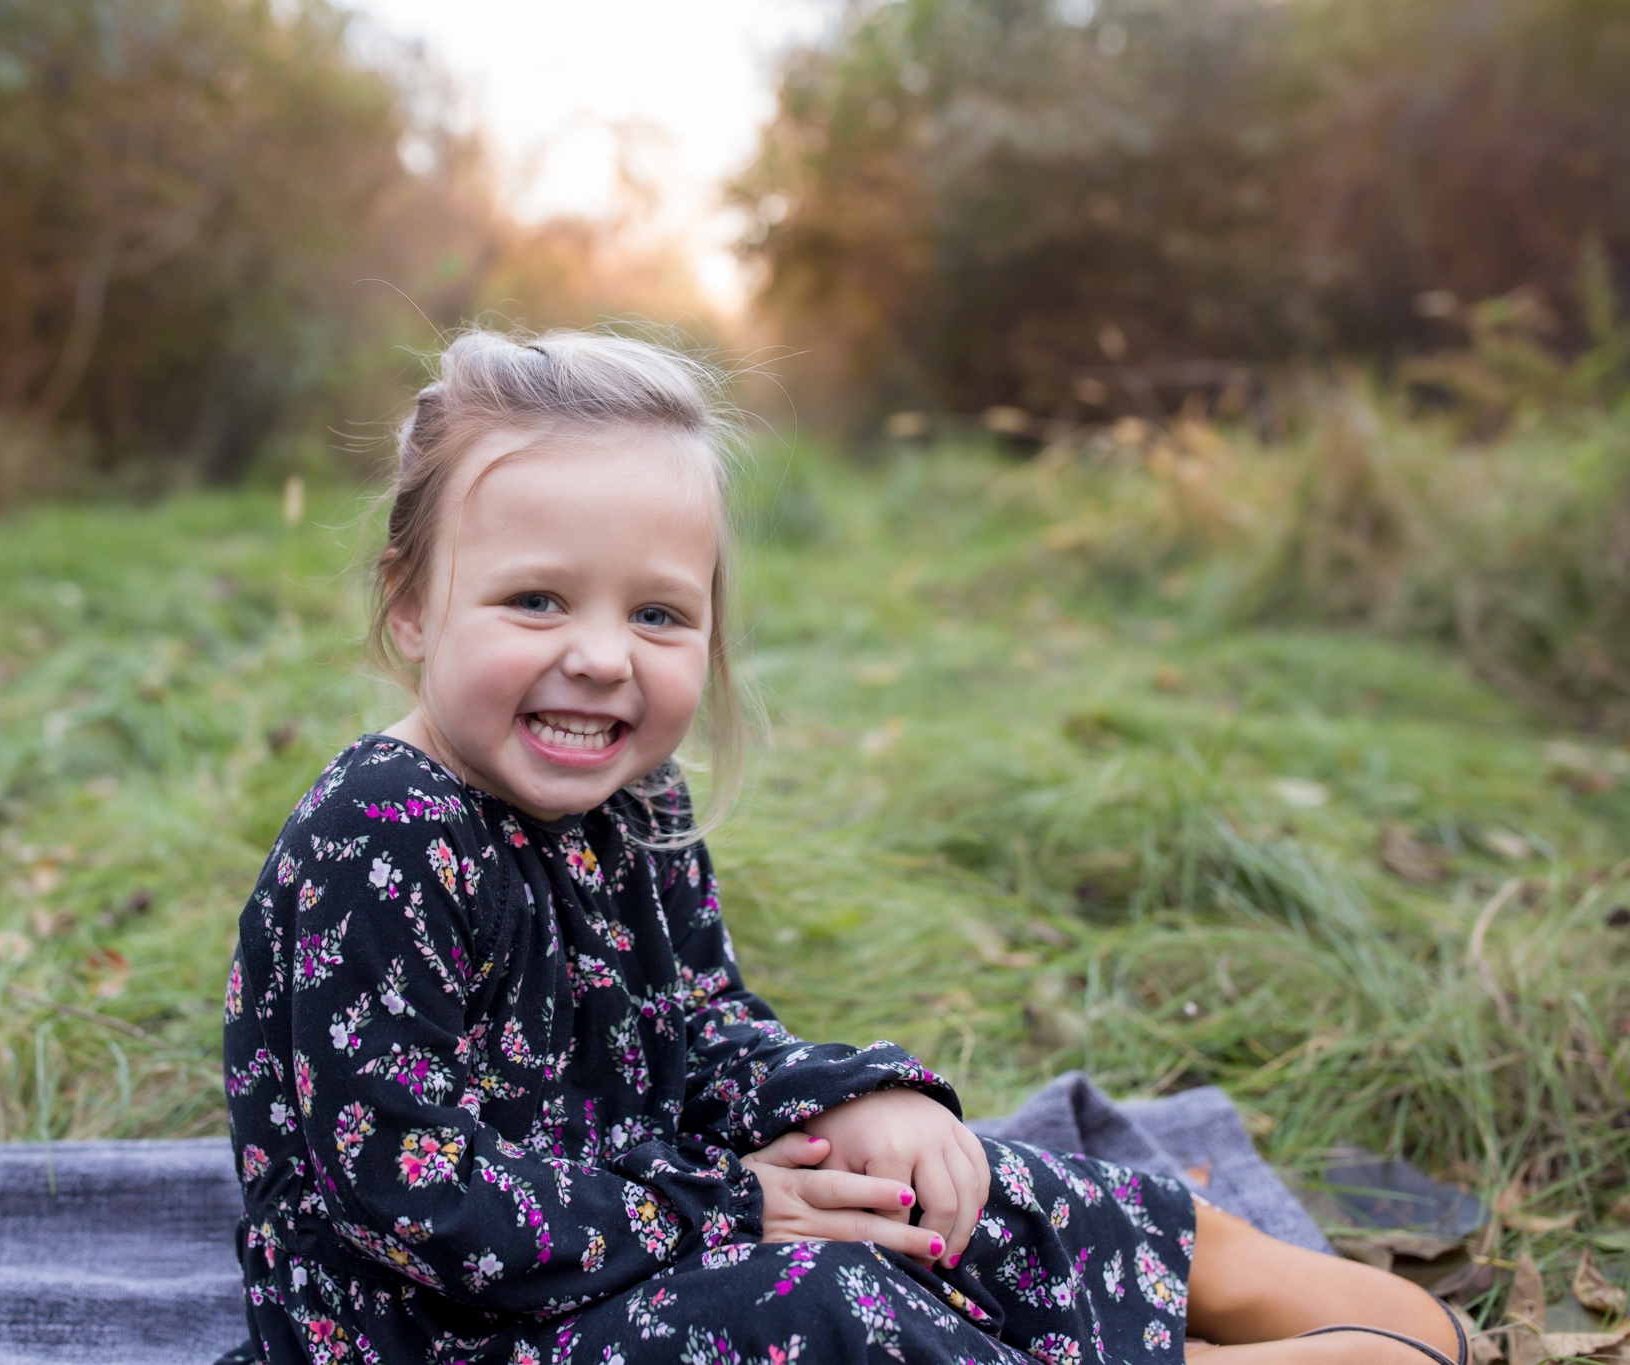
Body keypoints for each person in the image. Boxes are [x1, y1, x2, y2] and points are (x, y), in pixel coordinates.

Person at [220, 328, 1469, 1364]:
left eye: (655, 613)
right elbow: (410, 1196)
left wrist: (851, 1099)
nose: (600, 656)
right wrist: (732, 1212)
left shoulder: (633, 799)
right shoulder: (375, 841)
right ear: (409, 602)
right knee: (819, 1304)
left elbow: (701, 1025)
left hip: (639, 1203)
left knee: (936, 1186)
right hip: (433, 1323)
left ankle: (1225, 1275)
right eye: (536, 599)